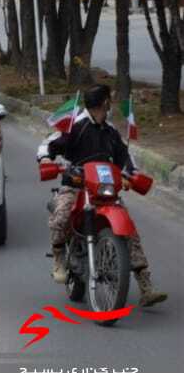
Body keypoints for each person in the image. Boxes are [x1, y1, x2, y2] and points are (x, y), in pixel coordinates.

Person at [37, 84, 167, 307]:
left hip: (103, 190)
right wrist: (47, 159)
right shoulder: (75, 125)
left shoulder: (111, 131)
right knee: (61, 215)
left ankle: (146, 286)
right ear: (102, 103)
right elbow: (48, 145)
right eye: (109, 100)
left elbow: (124, 158)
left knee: (130, 232)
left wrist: (131, 174)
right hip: (76, 186)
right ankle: (58, 257)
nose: (111, 105)